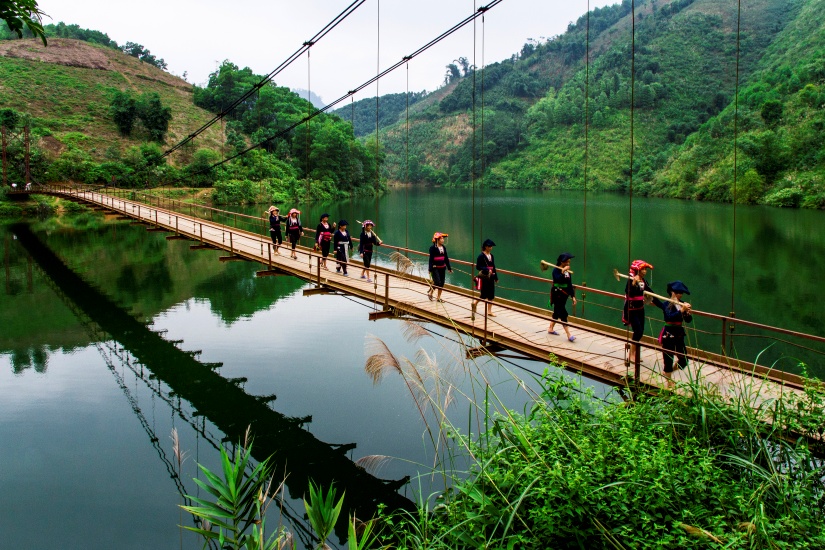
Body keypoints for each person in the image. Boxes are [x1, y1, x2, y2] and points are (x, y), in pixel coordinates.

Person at [656, 281, 692, 383]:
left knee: (684, 359)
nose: (679, 295)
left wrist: (687, 313)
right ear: (672, 293)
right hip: (668, 334)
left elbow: (688, 320)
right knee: (668, 359)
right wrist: (681, 311)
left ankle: (670, 372)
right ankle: (669, 382)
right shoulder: (666, 304)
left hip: (679, 333)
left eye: (681, 293)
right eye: (677, 292)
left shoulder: (682, 304)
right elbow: (669, 317)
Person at [622, 259, 655, 365]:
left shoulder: (643, 281)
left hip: (640, 309)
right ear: (638, 270)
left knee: (641, 331)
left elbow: (649, 291)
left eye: (645, 269)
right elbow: (629, 293)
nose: (645, 271)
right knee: (638, 331)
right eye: (643, 269)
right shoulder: (631, 280)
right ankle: (631, 354)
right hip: (632, 309)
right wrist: (634, 283)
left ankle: (634, 353)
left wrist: (662, 304)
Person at [547, 253, 578, 342]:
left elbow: (569, 284)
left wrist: (573, 296)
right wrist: (562, 271)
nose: (569, 263)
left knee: (557, 312)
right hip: (557, 293)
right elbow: (557, 280)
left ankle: (550, 328)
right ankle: (569, 335)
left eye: (569, 261)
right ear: (562, 262)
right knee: (562, 312)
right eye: (567, 261)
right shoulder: (556, 270)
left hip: (564, 294)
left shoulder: (568, 272)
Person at [472, 239, 499, 318]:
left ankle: (489, 311)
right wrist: (486, 269)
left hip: (491, 277)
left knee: (491, 294)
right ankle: (475, 303)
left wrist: (496, 277)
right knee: (484, 294)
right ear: (485, 247)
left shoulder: (491, 256)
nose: (491, 248)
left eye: (491, 246)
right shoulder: (481, 256)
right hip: (484, 277)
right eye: (489, 246)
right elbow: (478, 266)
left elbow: (493, 267)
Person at [427, 232, 452, 302]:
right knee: (437, 282)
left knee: (441, 283)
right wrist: (430, 268)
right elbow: (431, 259)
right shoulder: (432, 248)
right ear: (437, 240)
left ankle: (438, 297)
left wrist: (449, 268)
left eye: (443, 239)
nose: (443, 240)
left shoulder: (443, 247)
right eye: (441, 238)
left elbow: (446, 258)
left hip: (442, 267)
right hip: (435, 267)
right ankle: (430, 293)